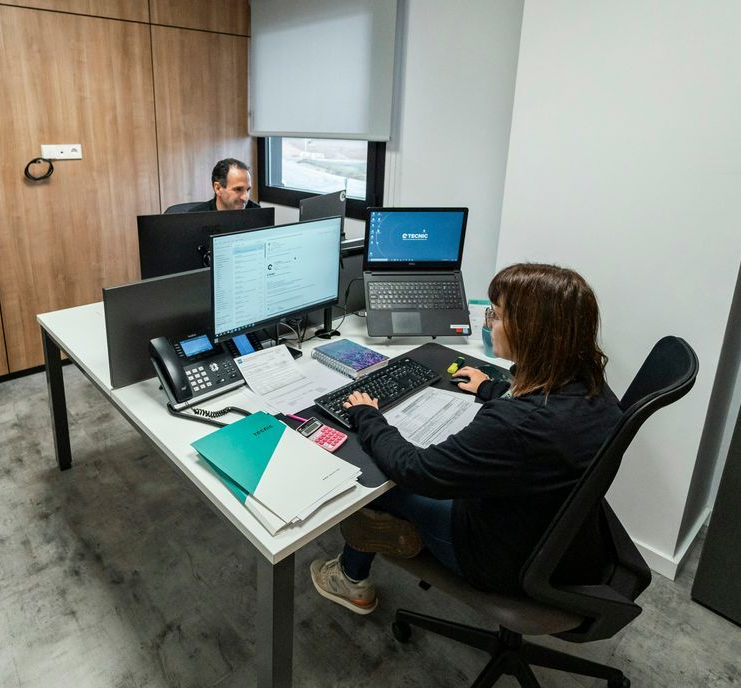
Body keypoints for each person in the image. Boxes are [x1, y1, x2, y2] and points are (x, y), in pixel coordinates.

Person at [310, 263, 622, 614]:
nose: (489, 324)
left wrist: (367, 415)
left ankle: (350, 578)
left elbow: (415, 470)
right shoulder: (593, 388)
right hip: (560, 543)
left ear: (530, 332)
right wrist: (492, 388)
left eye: (497, 316)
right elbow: (535, 421)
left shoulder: (514, 424)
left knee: (378, 483)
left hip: (498, 559)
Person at [177, 157, 261, 212]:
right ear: (218, 188)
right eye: (238, 189)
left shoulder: (255, 211)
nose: (245, 197)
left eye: (248, 189)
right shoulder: (196, 217)